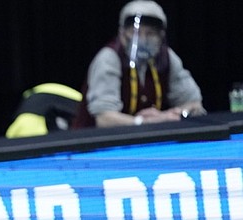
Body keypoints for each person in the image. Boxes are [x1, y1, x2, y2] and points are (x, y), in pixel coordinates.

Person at [71, 1, 205, 128]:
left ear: (161, 36)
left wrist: (174, 115)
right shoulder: (109, 59)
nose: (142, 40)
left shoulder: (167, 57)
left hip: (148, 142)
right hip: (97, 144)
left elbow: (194, 104)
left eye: (150, 33)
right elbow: (104, 119)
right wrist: (146, 122)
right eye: (135, 33)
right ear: (122, 34)